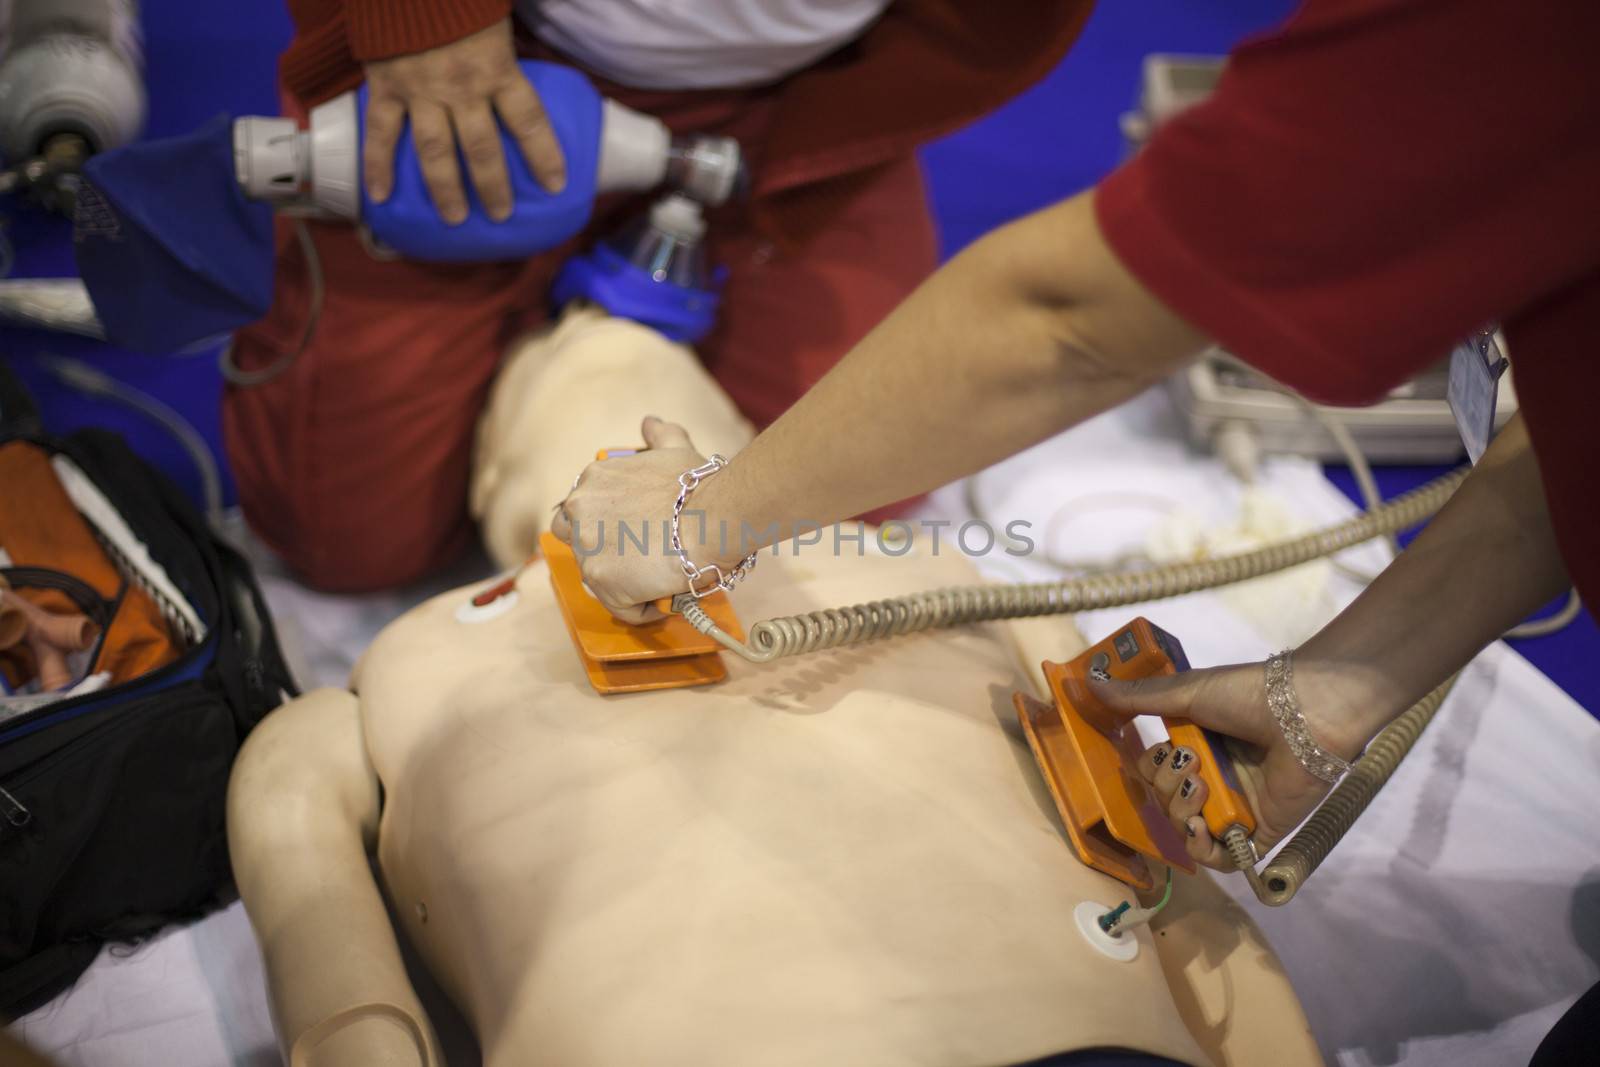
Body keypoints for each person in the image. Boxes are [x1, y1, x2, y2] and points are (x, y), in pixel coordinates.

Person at [553, 1, 1597, 1053]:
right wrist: (1336, 685)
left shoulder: (891, 568)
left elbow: (1064, 323)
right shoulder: (418, 674)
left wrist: (708, 513)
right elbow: (1569, 422)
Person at [228, 307, 1322, 1067]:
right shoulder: (403, 671)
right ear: (497, 493)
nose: (613, 381)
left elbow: (1172, 856)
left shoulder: (958, 575)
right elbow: (325, 948)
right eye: (541, 395)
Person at [220, 0, 1094, 592]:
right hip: (486, 62)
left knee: (864, 481)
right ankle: (525, 338)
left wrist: (842, 129)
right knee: (341, 544)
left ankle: (530, 336)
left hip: (812, 88)